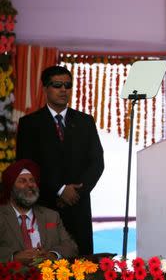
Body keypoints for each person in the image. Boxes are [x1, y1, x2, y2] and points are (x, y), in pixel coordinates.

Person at [16, 66, 104, 256]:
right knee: (47, 266)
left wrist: (76, 192)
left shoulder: (85, 121)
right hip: (45, 205)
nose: (64, 90)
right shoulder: (30, 124)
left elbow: (97, 162)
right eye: (57, 85)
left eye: (68, 85)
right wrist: (60, 190)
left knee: (83, 267)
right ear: (45, 88)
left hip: (78, 206)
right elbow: (26, 167)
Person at [0, 159, 78, 264]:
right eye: (22, 181)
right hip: (12, 277)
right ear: (11, 188)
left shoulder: (51, 215)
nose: (30, 185)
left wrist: (52, 254)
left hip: (49, 277)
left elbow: (71, 246)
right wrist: (13, 257)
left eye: (32, 180)